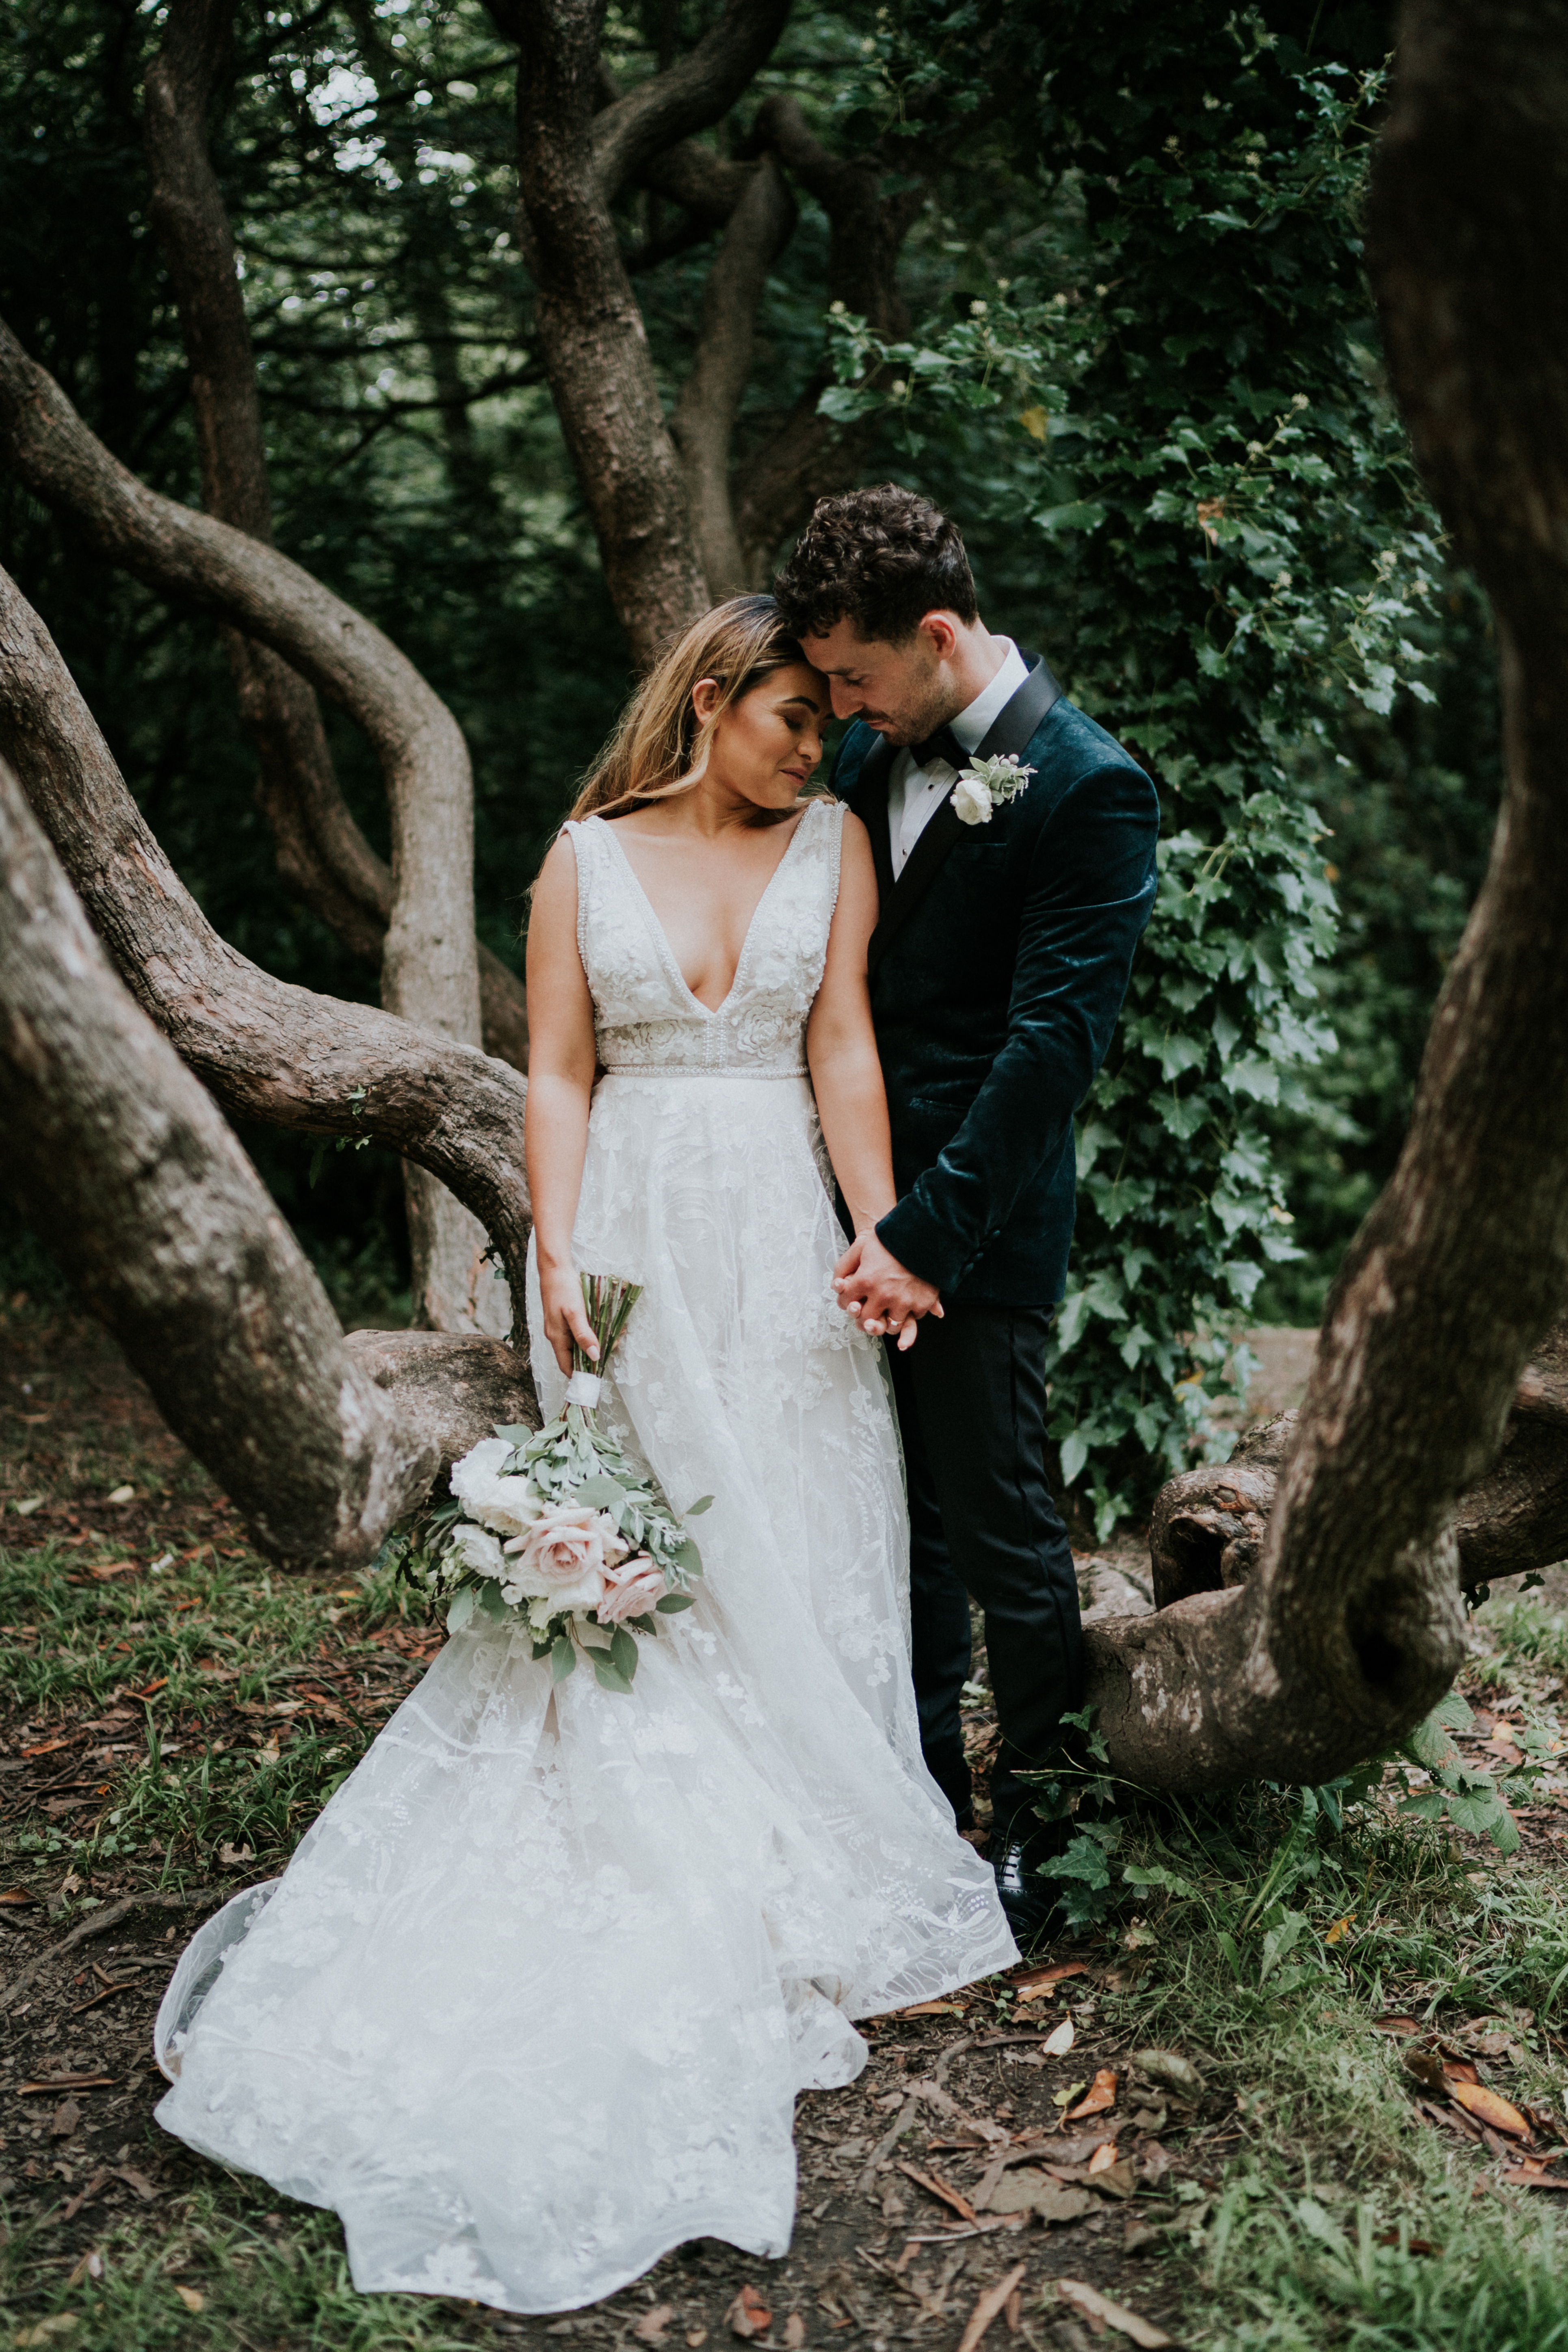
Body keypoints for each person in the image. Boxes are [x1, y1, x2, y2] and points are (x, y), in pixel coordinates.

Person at [152, 595, 1014, 2317]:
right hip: (628, 1223)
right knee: (662, 1537)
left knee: (802, 1510)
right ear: (709, 701)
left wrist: (880, 1224)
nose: (816, 744)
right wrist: (549, 1247)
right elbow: (553, 1068)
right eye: (788, 715)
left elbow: (839, 1038)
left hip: (776, 1226)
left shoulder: (836, 840)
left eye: (829, 724)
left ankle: (808, 1821)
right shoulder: (580, 860)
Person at [775, 486, 1160, 1941]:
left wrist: (921, 1237)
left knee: (1000, 1531)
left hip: (974, 1235)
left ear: (936, 635)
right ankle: (921, 1805)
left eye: (855, 678)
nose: (838, 709)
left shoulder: (1086, 784)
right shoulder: (879, 758)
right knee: (900, 1525)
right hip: (836, 1212)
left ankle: (1051, 1845)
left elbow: (1049, 1050)